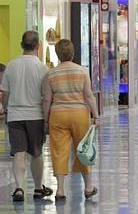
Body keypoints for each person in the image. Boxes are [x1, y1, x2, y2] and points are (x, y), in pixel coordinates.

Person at [43, 39, 100, 201]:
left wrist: (46, 120)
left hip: (58, 115)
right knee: (83, 149)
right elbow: (88, 95)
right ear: (73, 53)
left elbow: (47, 99)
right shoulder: (82, 71)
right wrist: (96, 115)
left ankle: (60, 189)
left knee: (59, 151)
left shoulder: (51, 73)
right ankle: (88, 187)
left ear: (57, 54)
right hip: (80, 114)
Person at [0, 31, 53, 202]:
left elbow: (5, 94)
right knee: (36, 154)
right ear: (38, 46)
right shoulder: (43, 68)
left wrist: (8, 111)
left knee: (19, 153)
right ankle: (38, 188)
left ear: (21, 44)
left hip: (15, 116)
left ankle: (19, 189)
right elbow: (46, 96)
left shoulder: (11, 66)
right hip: (35, 116)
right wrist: (46, 119)